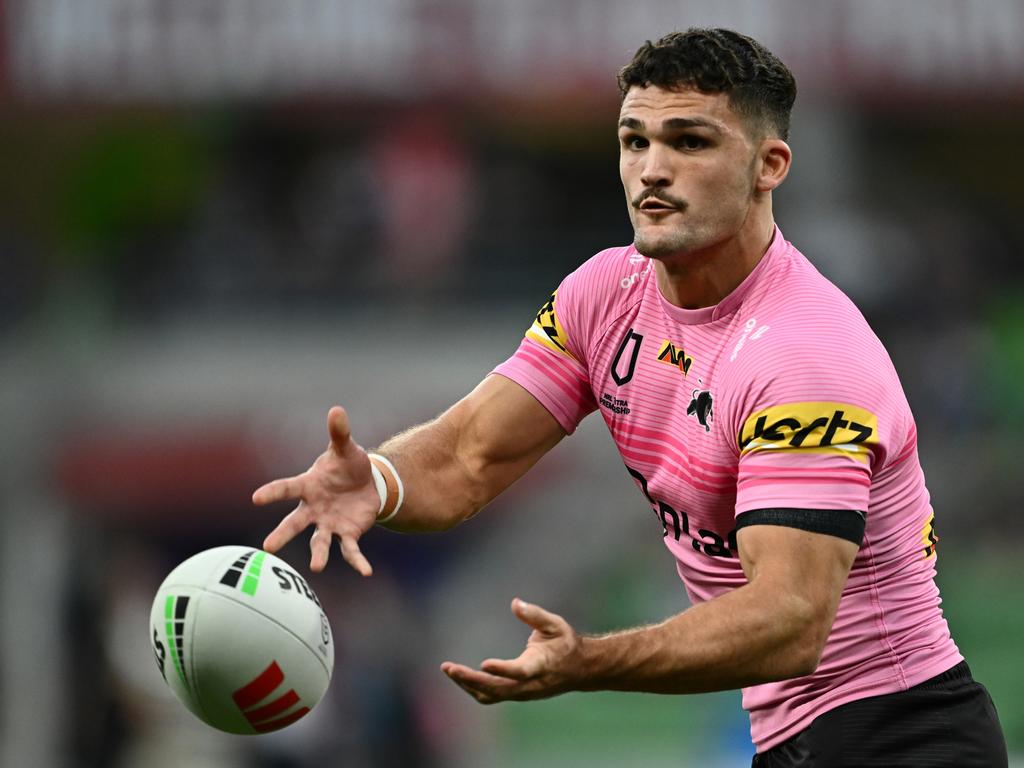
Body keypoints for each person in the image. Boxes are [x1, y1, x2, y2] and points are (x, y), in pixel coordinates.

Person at [253, 28, 1008, 767]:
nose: (652, 169)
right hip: (794, 740)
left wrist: (593, 662)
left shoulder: (806, 355)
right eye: (634, 140)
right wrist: (379, 480)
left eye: (689, 142)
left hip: (904, 733)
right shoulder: (604, 294)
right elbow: (468, 456)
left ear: (768, 165)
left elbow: (791, 620)